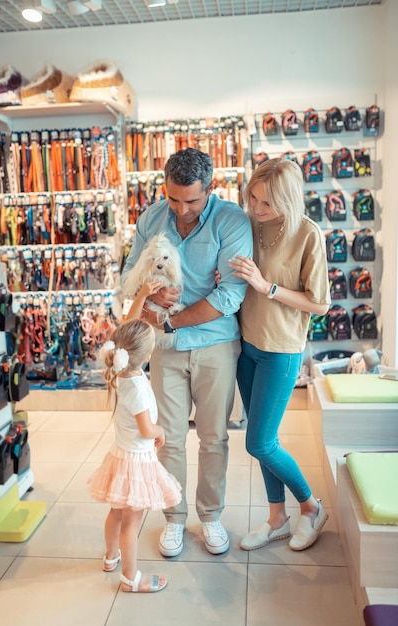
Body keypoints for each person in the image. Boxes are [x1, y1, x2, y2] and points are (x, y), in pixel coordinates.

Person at [120, 147, 253, 557]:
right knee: (168, 438)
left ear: (210, 188)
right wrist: (152, 293)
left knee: (214, 438)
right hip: (165, 348)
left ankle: (210, 517)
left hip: (214, 344)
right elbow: (128, 277)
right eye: (173, 198)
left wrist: (173, 319)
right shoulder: (150, 218)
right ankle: (174, 519)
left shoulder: (231, 221)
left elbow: (231, 292)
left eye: (191, 200)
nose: (181, 208)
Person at [229, 157, 331, 552]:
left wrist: (265, 286)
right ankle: (277, 519)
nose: (257, 208)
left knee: (259, 442)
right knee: (262, 436)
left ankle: (311, 506)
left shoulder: (308, 234)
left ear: (287, 200)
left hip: (282, 351)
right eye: (253, 197)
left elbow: (319, 303)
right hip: (247, 345)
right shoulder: (247, 223)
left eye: (267, 203)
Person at [87, 298, 182, 592]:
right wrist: (161, 429)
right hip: (137, 462)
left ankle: (110, 556)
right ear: (148, 353)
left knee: (116, 513)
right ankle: (130, 579)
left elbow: (126, 328)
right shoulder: (138, 386)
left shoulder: (119, 374)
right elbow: (145, 429)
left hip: (120, 455)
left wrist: (141, 294)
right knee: (131, 521)